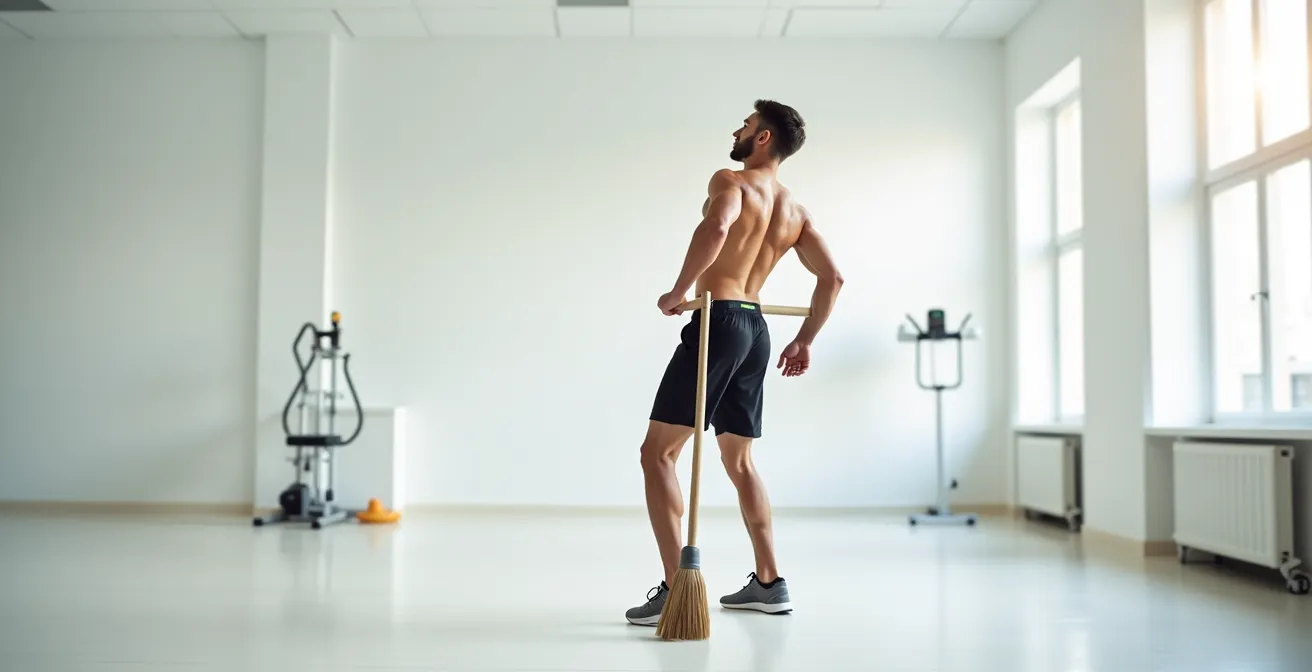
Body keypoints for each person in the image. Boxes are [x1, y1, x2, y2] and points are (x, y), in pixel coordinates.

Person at [625, 100, 843, 625]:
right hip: (756, 327)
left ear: (763, 138)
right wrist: (805, 340)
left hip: (718, 322)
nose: (736, 131)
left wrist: (679, 290)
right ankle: (769, 583)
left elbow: (718, 228)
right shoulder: (795, 211)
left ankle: (676, 589)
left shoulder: (731, 181)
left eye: (745, 126)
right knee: (738, 460)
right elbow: (832, 278)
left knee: (658, 455)